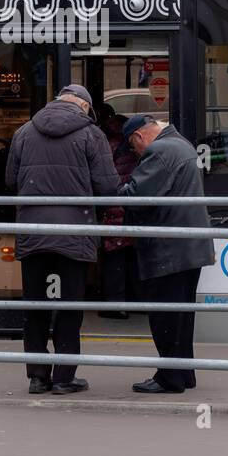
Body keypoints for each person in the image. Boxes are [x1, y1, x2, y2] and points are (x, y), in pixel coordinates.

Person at [5, 84, 118, 396]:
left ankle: (37, 377)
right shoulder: (91, 134)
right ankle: (65, 377)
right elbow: (107, 186)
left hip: (32, 230)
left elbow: (11, 180)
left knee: (36, 306)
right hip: (74, 231)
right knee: (70, 306)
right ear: (83, 106)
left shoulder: (24, 132)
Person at [117, 115, 214, 394]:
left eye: (133, 149)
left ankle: (169, 377)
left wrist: (122, 189)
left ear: (138, 137)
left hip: (169, 248)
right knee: (182, 315)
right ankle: (183, 372)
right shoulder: (180, 143)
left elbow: (137, 195)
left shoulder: (160, 150)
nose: (136, 154)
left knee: (165, 316)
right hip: (188, 246)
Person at [97, 111, 137, 321]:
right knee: (129, 255)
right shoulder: (131, 143)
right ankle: (135, 301)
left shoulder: (105, 144)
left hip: (113, 204)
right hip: (130, 204)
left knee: (114, 258)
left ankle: (115, 304)